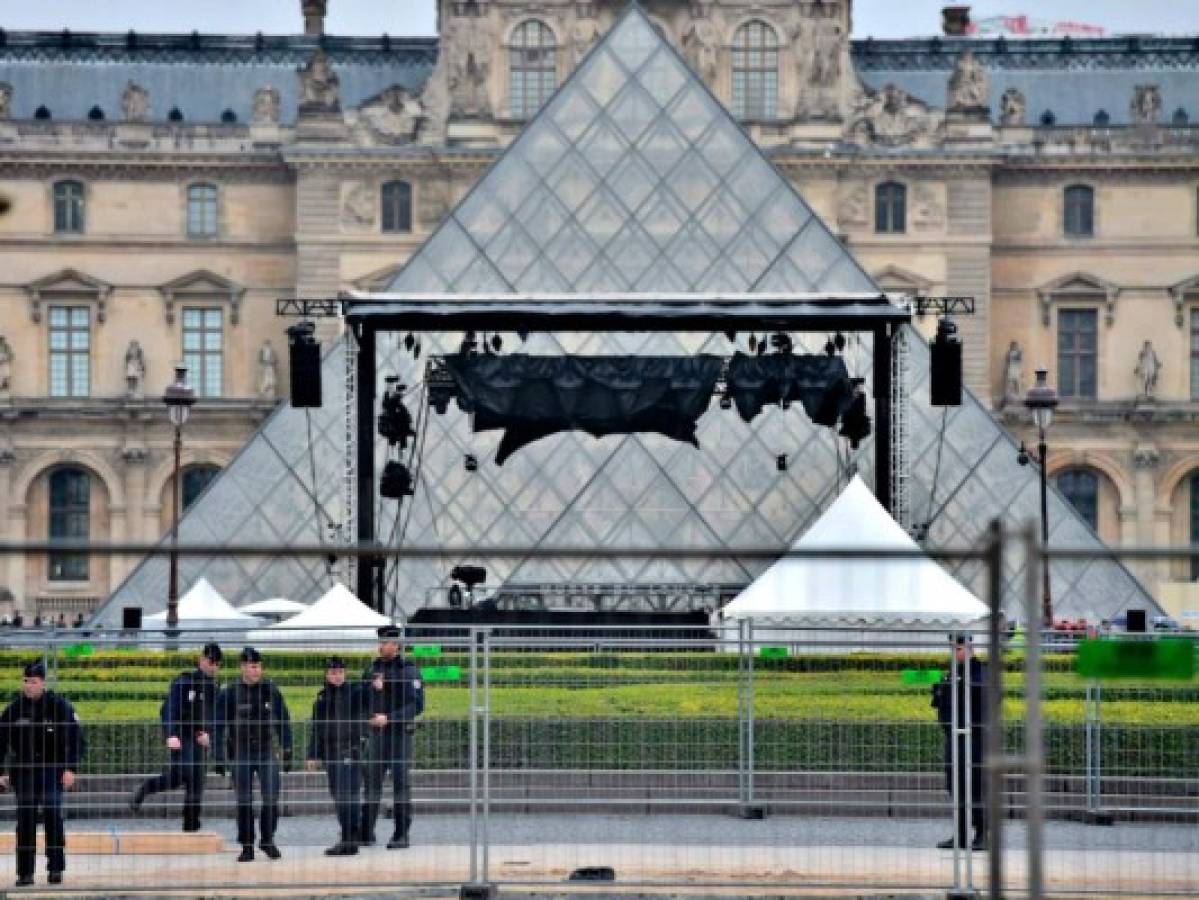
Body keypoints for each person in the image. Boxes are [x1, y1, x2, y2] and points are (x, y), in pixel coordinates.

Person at [0, 661, 83, 887]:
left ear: (43, 682)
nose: (29, 686)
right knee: (25, 822)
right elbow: (0, 742)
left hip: (51, 770)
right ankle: (24, 873)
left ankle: (55, 869)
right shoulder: (14, 709)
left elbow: (76, 739)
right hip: (25, 772)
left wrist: (70, 768)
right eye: (25, 681)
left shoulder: (59, 706)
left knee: (53, 817)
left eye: (33, 682)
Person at [129, 642, 222, 830]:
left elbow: (216, 715)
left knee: (196, 781)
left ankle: (191, 824)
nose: (213, 666)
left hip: (199, 739)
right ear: (201, 660)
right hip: (182, 736)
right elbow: (169, 709)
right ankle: (145, 788)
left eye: (217, 663)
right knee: (182, 774)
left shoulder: (214, 688)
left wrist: (210, 734)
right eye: (211, 661)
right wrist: (171, 734)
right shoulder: (184, 681)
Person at [213, 647, 292, 862]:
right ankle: (246, 845)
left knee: (271, 797)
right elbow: (218, 726)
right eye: (250, 666)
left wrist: (287, 749)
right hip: (240, 752)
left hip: (266, 751)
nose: (255, 670)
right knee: (244, 801)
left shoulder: (271, 689)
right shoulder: (229, 692)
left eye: (257, 666)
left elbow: (284, 720)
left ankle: (267, 839)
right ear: (242, 667)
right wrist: (218, 755)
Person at [360, 624, 424, 849]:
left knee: (400, 785)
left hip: (399, 735)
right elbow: (361, 700)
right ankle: (366, 831)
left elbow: (416, 705)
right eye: (379, 642)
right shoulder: (372, 669)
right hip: (376, 736)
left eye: (385, 642)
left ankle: (401, 834)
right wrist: (369, 713)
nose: (381, 646)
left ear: (397, 645)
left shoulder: (409, 670)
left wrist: (389, 717)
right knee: (371, 784)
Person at [306, 657, 369, 856]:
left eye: (340, 672)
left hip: (350, 750)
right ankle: (348, 837)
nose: (337, 676)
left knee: (348, 795)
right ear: (327, 674)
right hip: (330, 753)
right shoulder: (322, 698)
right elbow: (316, 729)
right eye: (333, 672)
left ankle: (350, 839)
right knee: (338, 796)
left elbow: (371, 700)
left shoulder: (355, 692)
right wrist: (313, 754)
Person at [932, 635, 987, 851]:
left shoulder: (980, 672)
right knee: (955, 786)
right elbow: (938, 699)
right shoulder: (951, 674)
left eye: (959, 648)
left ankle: (982, 833)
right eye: (953, 648)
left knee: (976, 787)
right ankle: (961, 833)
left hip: (976, 739)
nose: (955, 653)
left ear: (970, 648)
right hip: (954, 738)